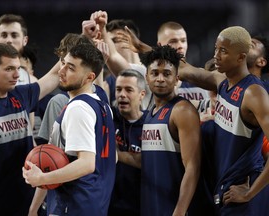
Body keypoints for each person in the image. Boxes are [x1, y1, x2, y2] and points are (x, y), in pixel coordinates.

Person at [178, 26, 269, 215]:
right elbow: (184, 68)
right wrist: (141, 48)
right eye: (216, 49)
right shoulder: (223, 82)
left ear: (241, 57)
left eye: (223, 51)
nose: (216, 55)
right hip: (223, 187)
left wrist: (250, 192)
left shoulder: (255, 93)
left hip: (243, 190)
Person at [23, 43, 116, 216]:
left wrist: (41, 178)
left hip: (73, 205)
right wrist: (33, 208)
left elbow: (87, 164)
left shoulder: (78, 108)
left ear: (89, 77)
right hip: (94, 204)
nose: (61, 70)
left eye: (71, 68)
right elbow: (113, 158)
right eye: (63, 63)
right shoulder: (103, 106)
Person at [0, 43, 60, 215]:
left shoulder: (21, 95)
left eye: (18, 68)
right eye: (9, 69)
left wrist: (85, 38)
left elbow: (55, 74)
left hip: (29, 203)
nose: (17, 75)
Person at [140, 45, 202, 216]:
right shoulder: (150, 113)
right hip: (151, 205)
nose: (160, 78)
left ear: (176, 78)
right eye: (154, 73)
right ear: (146, 77)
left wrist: (180, 211)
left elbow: (193, 166)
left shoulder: (182, 111)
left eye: (167, 74)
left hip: (173, 208)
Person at [83, 10, 153, 110]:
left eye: (113, 41)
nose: (106, 44)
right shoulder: (107, 81)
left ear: (130, 42)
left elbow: (113, 56)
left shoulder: (149, 74)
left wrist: (102, 29)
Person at [108, 69, 148, 216]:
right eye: (118, 89)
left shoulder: (152, 123)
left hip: (142, 206)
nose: (122, 95)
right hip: (111, 207)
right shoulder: (109, 118)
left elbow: (148, 162)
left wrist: (117, 153)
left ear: (141, 95)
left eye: (128, 90)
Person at [157, 21, 210, 101]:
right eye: (173, 41)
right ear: (160, 45)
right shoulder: (152, 79)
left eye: (183, 41)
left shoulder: (201, 77)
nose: (180, 46)